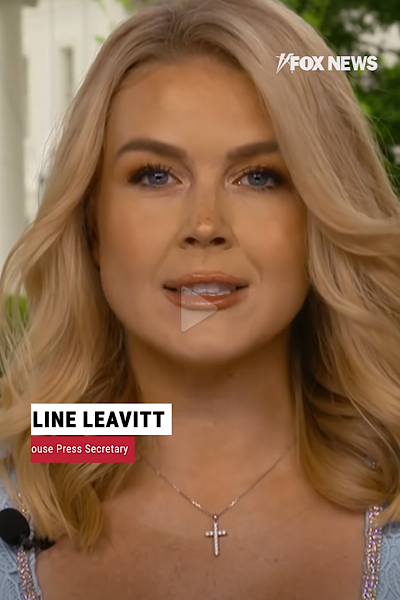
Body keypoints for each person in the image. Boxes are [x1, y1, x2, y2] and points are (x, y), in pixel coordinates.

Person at [0, 0, 400, 597]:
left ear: (320, 216)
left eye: (259, 176)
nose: (205, 225)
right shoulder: (28, 474)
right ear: (92, 226)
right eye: (156, 175)